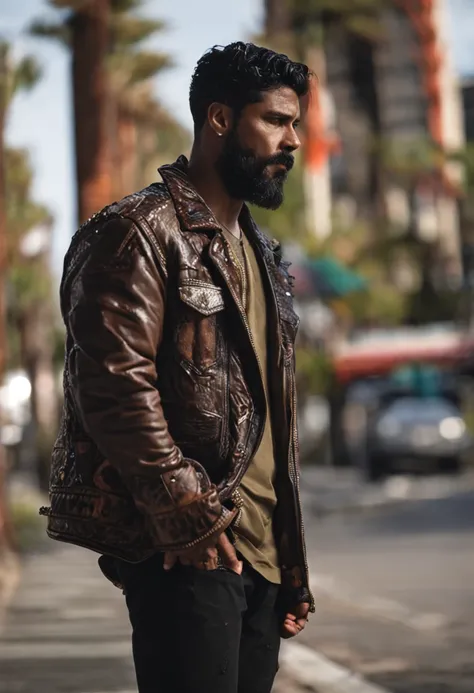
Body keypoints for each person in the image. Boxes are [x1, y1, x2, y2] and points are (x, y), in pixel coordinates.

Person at [42, 41, 313, 693]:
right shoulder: (138, 231)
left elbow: (272, 418)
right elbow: (112, 383)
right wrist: (182, 509)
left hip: (263, 562)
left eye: (295, 123)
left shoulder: (262, 253)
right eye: (276, 120)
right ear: (219, 119)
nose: (294, 140)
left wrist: (293, 563)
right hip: (187, 549)